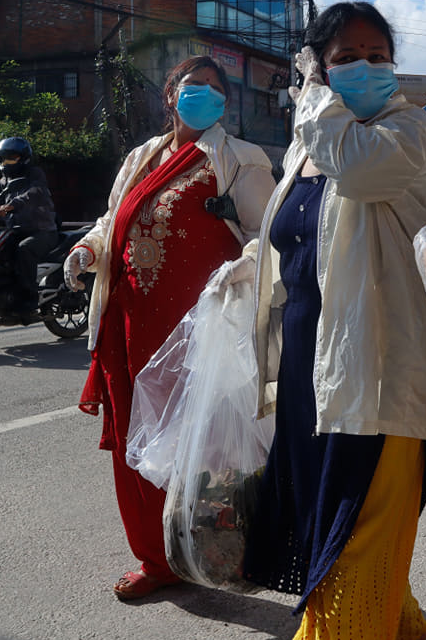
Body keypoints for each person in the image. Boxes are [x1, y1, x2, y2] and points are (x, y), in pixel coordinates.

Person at [242, 2, 426, 640]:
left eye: (377, 55)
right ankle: (402, 629)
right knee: (326, 510)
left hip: (376, 365)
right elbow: (294, 239)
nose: (365, 67)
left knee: (353, 528)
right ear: (320, 65)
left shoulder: (406, 133)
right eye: (346, 56)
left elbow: (353, 171)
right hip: (309, 362)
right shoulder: (308, 144)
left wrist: (313, 93)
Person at [64, 56, 274, 601]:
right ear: (170, 95)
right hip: (130, 323)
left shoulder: (239, 159)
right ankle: (156, 558)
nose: (203, 93)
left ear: (226, 102)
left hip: (198, 329)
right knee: (136, 439)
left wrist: (242, 269)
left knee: (201, 444)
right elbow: (114, 220)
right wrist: (88, 248)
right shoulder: (142, 157)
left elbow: (265, 232)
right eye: (193, 85)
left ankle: (209, 551)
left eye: (214, 87)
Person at [0, 136, 58, 321]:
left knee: (24, 250)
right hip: (16, 230)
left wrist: (12, 205)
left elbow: (35, 193)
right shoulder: (6, 179)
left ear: (23, 158)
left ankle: (30, 303)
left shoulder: (34, 174)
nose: (6, 163)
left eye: (11, 158)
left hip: (42, 231)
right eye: (3, 159)